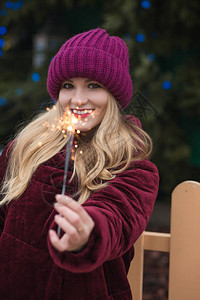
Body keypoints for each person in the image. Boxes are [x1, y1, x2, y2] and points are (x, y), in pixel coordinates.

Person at [0, 28, 159, 299]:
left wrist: (88, 232)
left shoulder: (131, 163)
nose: (78, 99)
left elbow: (117, 214)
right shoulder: (25, 148)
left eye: (93, 85)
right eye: (68, 86)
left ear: (113, 94)